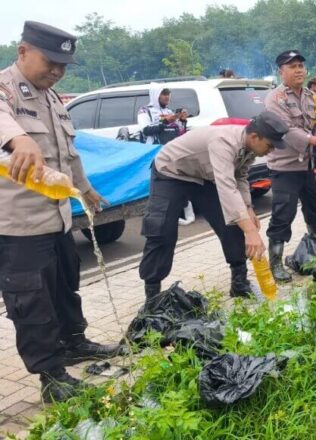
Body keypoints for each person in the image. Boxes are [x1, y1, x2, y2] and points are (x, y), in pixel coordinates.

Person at [0, 21, 123, 403]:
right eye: (49, 61)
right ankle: (51, 375)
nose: (56, 71)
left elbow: (69, 154)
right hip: (18, 225)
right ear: (23, 52)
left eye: (63, 66)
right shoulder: (5, 89)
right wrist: (17, 137)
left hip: (57, 218)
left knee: (65, 287)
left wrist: (84, 188)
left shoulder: (52, 98)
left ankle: (74, 342)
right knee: (31, 300)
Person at [139, 112, 287, 303]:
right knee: (162, 230)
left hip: (203, 176)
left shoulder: (249, 147)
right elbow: (226, 187)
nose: (271, 150)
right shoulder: (224, 142)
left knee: (233, 222)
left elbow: (239, 176)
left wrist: (248, 209)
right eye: (270, 145)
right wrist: (251, 232)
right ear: (254, 137)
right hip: (171, 172)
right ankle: (152, 298)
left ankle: (239, 283)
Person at [265, 50, 316, 282]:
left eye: (301, 66)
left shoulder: (311, 96)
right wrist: (315, 141)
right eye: (292, 66)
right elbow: (285, 130)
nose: (299, 70)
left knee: (314, 207)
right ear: (281, 71)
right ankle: (274, 263)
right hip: (284, 167)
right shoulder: (275, 98)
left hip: (306, 166)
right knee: (283, 215)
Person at [137, 86, 195, 225]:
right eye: (163, 94)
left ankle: (185, 214)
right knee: (160, 185)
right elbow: (146, 130)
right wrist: (165, 122)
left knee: (178, 181)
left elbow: (180, 133)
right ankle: (160, 215)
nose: (167, 97)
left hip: (172, 152)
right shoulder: (145, 110)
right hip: (155, 152)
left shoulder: (169, 111)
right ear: (156, 95)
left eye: (168, 94)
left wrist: (182, 120)